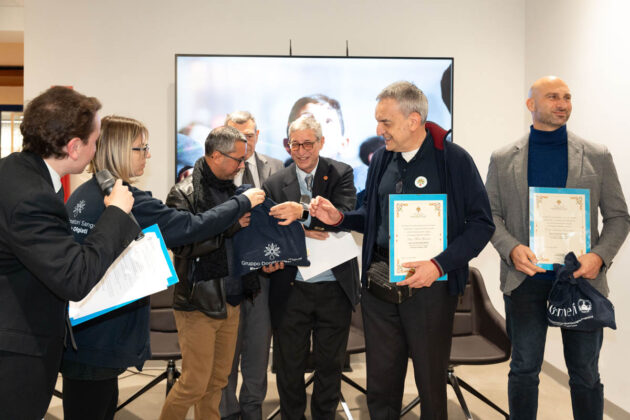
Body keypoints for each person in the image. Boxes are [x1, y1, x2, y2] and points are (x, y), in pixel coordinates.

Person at [310, 81, 495, 419]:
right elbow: (372, 214)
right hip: (380, 284)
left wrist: (439, 265)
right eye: (378, 121)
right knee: (381, 383)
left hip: (430, 287)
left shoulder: (453, 160)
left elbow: (482, 224)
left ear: (413, 120)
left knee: (430, 383)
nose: (378, 130)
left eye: (386, 122)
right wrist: (339, 219)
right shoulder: (382, 158)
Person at [60, 116, 265, 420]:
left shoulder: (85, 193)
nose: (148, 155)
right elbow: (190, 228)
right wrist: (241, 204)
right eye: (141, 148)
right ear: (119, 150)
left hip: (84, 333)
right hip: (98, 335)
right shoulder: (126, 199)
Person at [485, 76, 630, 420]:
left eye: (567, 97)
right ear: (531, 104)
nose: (562, 104)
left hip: (581, 282)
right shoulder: (503, 158)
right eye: (552, 97)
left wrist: (599, 256)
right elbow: (489, 215)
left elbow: (618, 216)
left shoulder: (596, 155)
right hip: (525, 280)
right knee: (524, 369)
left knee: (585, 374)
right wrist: (511, 249)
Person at [0, 86, 138, 419]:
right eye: (95, 141)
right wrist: (116, 214)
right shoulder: (32, 196)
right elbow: (75, 278)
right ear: (74, 147)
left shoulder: (15, 170)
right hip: (16, 352)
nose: (96, 149)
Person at [159, 126, 275, 419]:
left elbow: (244, 244)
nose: (242, 166)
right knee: (193, 384)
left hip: (233, 300)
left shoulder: (234, 192)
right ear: (216, 155)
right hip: (198, 303)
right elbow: (183, 245)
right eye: (238, 159)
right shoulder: (183, 193)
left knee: (217, 383)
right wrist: (229, 227)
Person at [262, 114, 360, 420]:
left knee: (330, 365)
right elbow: (270, 229)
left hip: (334, 287)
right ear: (287, 145)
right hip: (291, 287)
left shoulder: (340, 173)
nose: (302, 151)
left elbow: (344, 215)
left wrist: (300, 214)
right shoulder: (275, 183)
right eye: (295, 144)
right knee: (289, 366)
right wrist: (305, 227)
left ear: (321, 142)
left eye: (308, 144)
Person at [219, 111, 283, 420]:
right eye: (237, 136)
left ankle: (253, 408)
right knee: (227, 350)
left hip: (264, 276)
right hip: (227, 275)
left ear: (258, 135)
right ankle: (227, 411)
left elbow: (283, 222)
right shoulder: (217, 170)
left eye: (249, 136)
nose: (245, 142)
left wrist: (276, 256)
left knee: (258, 349)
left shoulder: (277, 167)